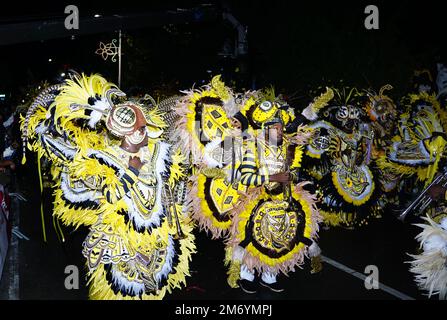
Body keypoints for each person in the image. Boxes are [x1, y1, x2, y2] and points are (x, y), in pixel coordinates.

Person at [21, 73, 195, 300]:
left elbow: (170, 187)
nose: (148, 134)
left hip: (158, 237)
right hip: (119, 240)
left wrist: (179, 213)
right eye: (143, 129)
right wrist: (132, 171)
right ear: (133, 133)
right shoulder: (104, 159)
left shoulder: (158, 153)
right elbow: (110, 195)